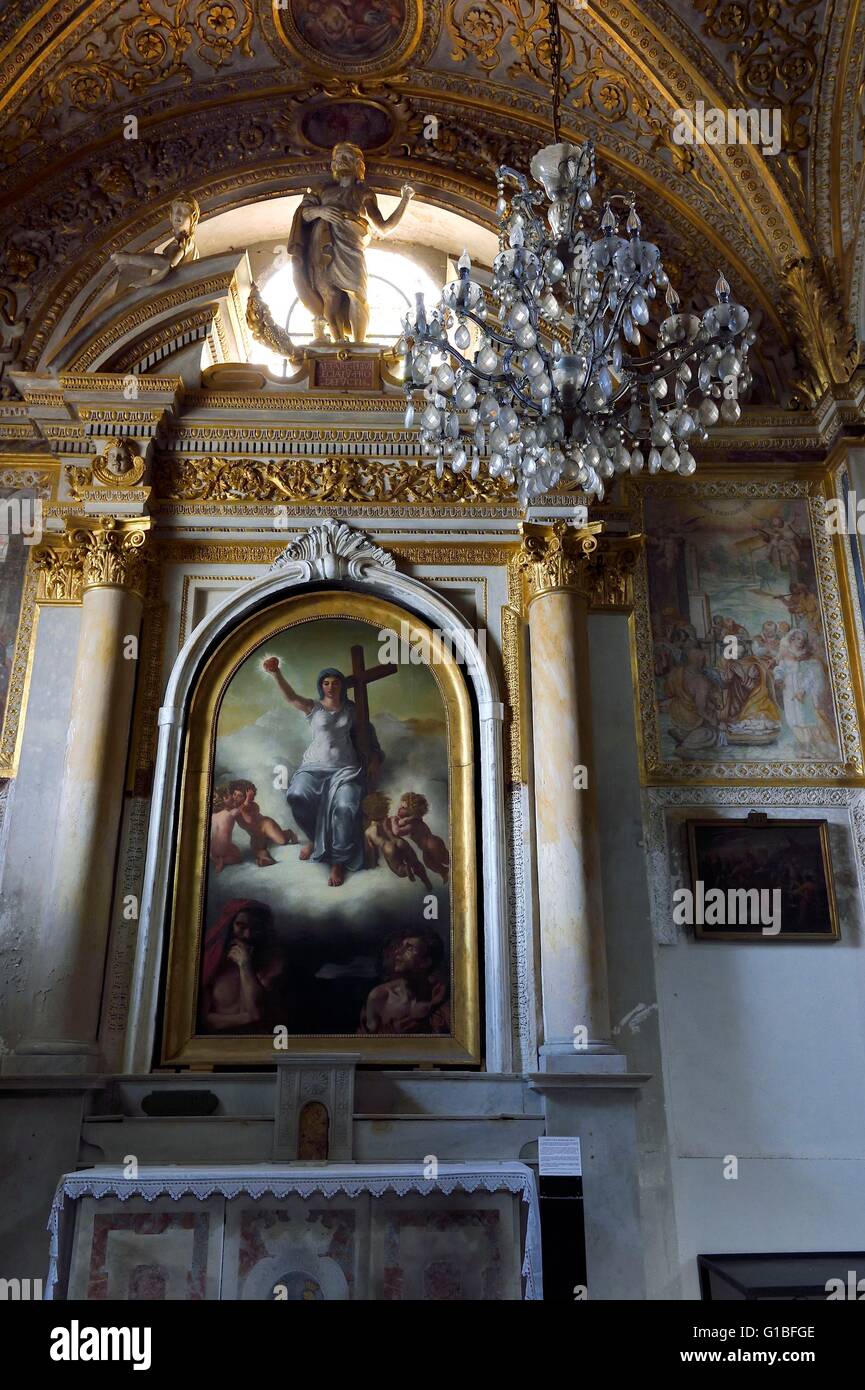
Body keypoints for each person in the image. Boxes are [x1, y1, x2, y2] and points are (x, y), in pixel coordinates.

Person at [262, 658, 382, 887]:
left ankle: (338, 861)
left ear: (341, 686)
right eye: (326, 683)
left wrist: (374, 757)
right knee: (296, 796)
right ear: (321, 686)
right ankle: (315, 840)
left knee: (345, 808)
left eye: (335, 682)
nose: (330, 686)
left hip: (345, 770)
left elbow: (367, 734)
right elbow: (291, 697)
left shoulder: (352, 709)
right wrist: (276, 673)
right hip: (313, 767)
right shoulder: (313, 707)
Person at [287, 142, 413, 343]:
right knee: (330, 296)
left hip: (352, 246)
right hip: (324, 246)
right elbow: (304, 213)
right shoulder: (322, 190)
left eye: (345, 157)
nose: (339, 162)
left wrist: (405, 200)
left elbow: (383, 227)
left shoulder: (364, 193)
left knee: (358, 293)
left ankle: (359, 344)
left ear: (357, 164)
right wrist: (322, 211)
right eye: (337, 159)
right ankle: (338, 343)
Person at [200, 899, 284, 1031]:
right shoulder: (210, 962)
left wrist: (245, 965)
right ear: (229, 926)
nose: (248, 935)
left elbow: (256, 1012)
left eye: (256, 928)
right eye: (241, 926)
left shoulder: (273, 963)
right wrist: (247, 1018)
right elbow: (203, 1020)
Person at [358, 927, 449, 1035]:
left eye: (409, 948)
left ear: (426, 962)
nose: (398, 951)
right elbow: (366, 1045)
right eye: (401, 946)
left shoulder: (441, 999)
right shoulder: (380, 997)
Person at [226, 779, 298, 866]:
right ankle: (265, 859)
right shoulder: (232, 808)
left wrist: (248, 801)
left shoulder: (252, 806)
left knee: (281, 841)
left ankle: (289, 833)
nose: (236, 797)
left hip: (266, 826)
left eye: (240, 796)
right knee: (258, 850)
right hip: (255, 834)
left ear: (246, 797)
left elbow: (247, 814)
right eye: (234, 794)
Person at [390, 792, 450, 882]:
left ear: (412, 811)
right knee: (430, 864)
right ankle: (444, 871)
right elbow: (403, 822)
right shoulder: (414, 819)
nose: (399, 809)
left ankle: (455, 868)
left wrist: (393, 822)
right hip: (427, 847)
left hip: (432, 844)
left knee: (445, 859)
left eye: (403, 808)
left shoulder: (413, 823)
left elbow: (397, 832)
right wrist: (401, 821)